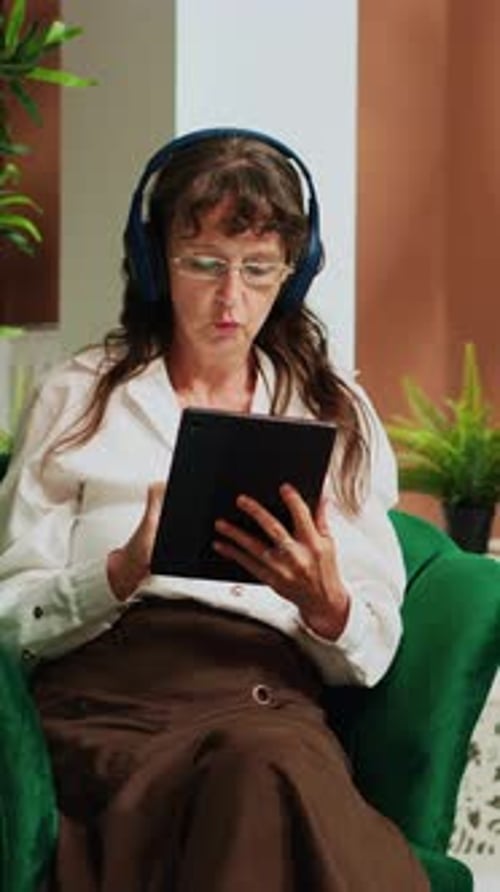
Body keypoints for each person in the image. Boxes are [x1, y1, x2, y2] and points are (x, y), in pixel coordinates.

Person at [0, 127, 429, 891]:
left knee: (264, 762)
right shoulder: (77, 397)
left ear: (292, 277)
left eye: (258, 270)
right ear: (155, 262)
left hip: (264, 702)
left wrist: (326, 602)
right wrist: (119, 572)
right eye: (203, 264)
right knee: (264, 771)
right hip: (108, 709)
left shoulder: (335, 413)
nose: (231, 300)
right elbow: (10, 619)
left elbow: (375, 641)